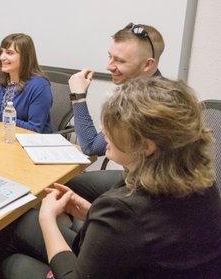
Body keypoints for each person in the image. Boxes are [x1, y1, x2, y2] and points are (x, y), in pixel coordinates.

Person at [0, 78, 221, 279]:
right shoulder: (197, 179)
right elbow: (143, 237)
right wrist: (88, 212)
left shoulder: (124, 207)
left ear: (147, 145)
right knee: (13, 222)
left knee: (13, 264)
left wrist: (48, 220)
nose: (105, 136)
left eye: (113, 130)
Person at [66, 23, 164, 202]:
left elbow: (90, 147)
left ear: (147, 65)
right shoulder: (150, 89)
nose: (109, 66)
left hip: (150, 190)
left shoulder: (148, 104)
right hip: (137, 178)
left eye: (120, 60)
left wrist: (78, 97)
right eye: (110, 57)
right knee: (68, 185)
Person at [0, 33, 52, 133]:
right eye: (1, 52)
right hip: (2, 135)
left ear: (25, 57)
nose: (2, 57)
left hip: (30, 142)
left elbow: (34, 129)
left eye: (9, 53)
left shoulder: (40, 86)